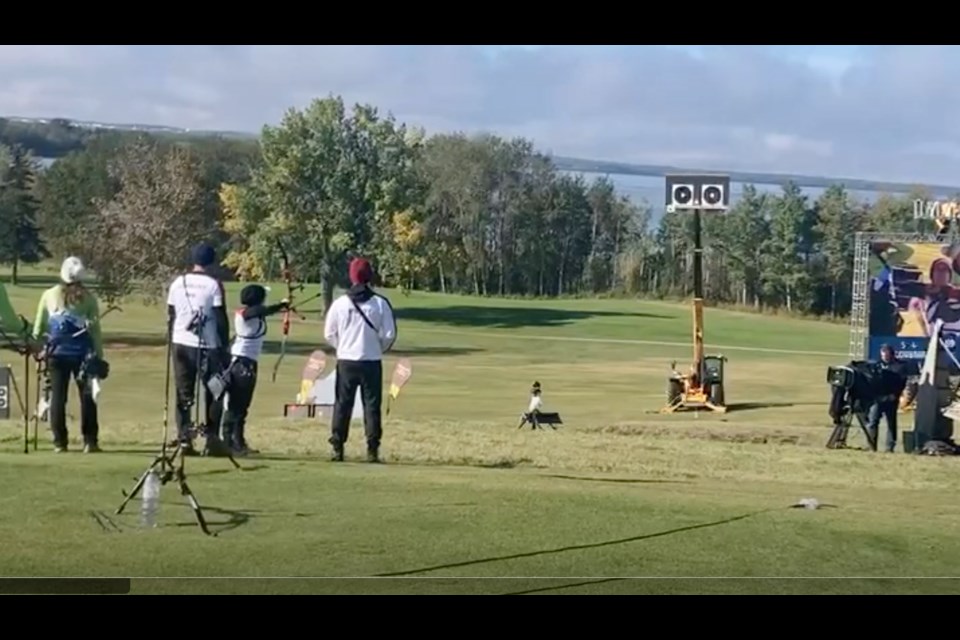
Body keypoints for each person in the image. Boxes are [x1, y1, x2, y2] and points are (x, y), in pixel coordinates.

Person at [323, 257, 397, 462]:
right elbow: (389, 335)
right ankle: (372, 449)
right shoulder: (380, 304)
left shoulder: (340, 303)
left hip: (346, 360)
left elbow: (329, 333)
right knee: (372, 405)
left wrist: (343, 347)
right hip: (371, 360)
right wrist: (376, 348)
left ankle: (337, 446)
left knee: (342, 404)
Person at [32, 257, 105, 453]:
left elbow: (38, 327)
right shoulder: (89, 299)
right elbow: (95, 332)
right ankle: (90, 441)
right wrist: (99, 355)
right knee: (87, 397)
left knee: (58, 397)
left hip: (56, 353)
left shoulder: (48, 295)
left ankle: (59, 442)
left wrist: (35, 345)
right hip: (83, 355)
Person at [166, 243, 230, 456]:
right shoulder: (213, 285)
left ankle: (185, 438)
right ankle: (211, 439)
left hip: (181, 343)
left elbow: (171, 313)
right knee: (214, 390)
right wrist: (224, 347)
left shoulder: (178, 283)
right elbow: (221, 318)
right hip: (207, 345)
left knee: (183, 393)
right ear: (212, 261)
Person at [218, 284, 289, 456]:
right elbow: (258, 312)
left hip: (246, 363)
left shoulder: (253, 315)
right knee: (237, 406)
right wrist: (280, 306)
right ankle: (231, 443)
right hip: (242, 365)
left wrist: (282, 307)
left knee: (241, 406)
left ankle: (236, 442)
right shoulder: (244, 314)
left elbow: (261, 312)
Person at [867, 343, 909, 453]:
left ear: (891, 354)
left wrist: (895, 395)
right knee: (872, 421)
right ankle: (871, 446)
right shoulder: (876, 365)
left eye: (887, 353)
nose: (885, 355)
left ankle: (889, 447)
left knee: (891, 423)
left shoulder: (899, 366)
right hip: (877, 398)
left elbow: (902, 382)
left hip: (891, 398)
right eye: (883, 353)